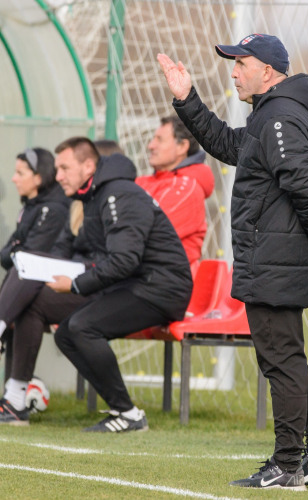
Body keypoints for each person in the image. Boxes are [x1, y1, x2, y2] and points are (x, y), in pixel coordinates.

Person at [158, 34, 308, 489]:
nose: (233, 70)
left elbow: (304, 184)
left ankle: (287, 464)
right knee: (286, 356)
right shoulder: (272, 115)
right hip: (273, 257)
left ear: (267, 70)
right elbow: (229, 145)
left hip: (277, 258)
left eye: (240, 63)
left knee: (279, 359)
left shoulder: (281, 117)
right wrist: (187, 99)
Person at [46, 137, 192, 433]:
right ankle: (121, 409)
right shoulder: (95, 196)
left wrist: (75, 285)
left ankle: (128, 414)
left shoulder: (117, 194)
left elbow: (124, 261)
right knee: (66, 333)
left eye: (64, 167)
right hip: (137, 284)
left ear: (88, 166)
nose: (58, 175)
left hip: (160, 289)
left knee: (83, 327)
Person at [0, 148, 70, 415]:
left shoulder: (54, 209)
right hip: (30, 288)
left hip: (58, 289)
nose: (14, 179)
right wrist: (18, 250)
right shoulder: (30, 208)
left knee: (27, 292)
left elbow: (29, 258)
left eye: (20, 173)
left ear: (39, 177)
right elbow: (7, 255)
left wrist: (18, 251)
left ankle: (16, 395)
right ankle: (13, 396)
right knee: (21, 282)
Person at [136, 116, 214, 265]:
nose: (151, 145)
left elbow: (147, 233)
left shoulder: (187, 189)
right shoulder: (144, 181)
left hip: (162, 279)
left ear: (182, 147)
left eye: (160, 139)